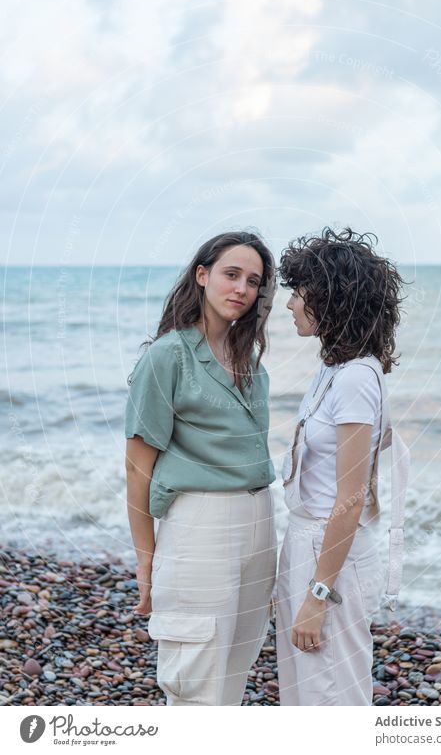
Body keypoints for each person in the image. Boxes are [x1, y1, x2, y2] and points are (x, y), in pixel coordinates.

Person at [124, 230, 278, 706]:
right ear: (203, 275)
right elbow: (137, 466)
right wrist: (146, 556)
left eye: (253, 281)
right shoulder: (166, 356)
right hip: (200, 523)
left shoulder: (247, 357)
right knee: (195, 679)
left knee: (237, 665)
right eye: (231, 275)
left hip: (261, 518)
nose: (242, 289)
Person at [274, 226, 409, 706]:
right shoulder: (334, 368)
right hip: (307, 540)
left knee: (331, 698)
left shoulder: (355, 377)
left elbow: (350, 500)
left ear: (331, 297)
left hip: (329, 553)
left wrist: (317, 593)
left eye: (299, 292)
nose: (288, 304)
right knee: (304, 690)